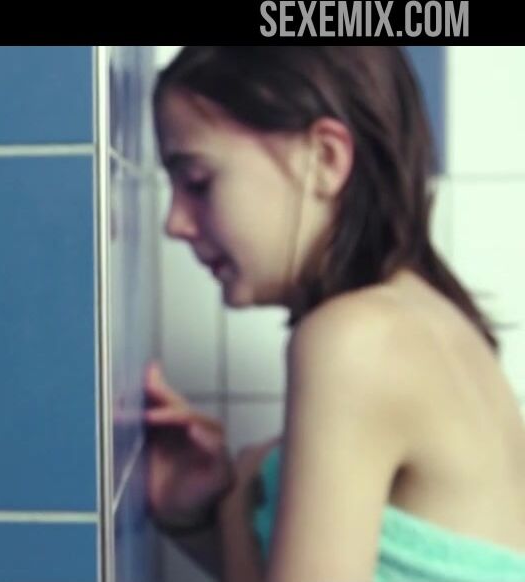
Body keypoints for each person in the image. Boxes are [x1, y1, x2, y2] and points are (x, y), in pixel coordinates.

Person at [144, 46, 525, 581]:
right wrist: (197, 513)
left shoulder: (354, 341)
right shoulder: (432, 320)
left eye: (198, 182)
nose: (175, 223)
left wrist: (238, 502)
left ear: (324, 159)